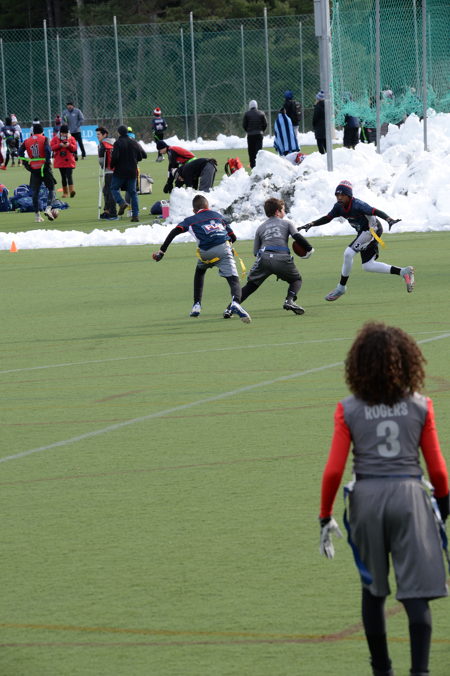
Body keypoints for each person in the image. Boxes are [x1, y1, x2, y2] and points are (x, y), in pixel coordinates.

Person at [319, 321, 449, 676]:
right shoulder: (421, 405)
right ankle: (419, 671)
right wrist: (444, 504)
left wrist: (325, 514)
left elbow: (333, 471)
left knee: (373, 590)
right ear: (407, 362)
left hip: (366, 498)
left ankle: (382, 670)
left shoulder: (348, 408)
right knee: (415, 595)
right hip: (409, 498)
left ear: (358, 364)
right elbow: (438, 470)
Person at [299, 180, 413, 301]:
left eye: (342, 195)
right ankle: (403, 272)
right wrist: (311, 224)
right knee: (368, 265)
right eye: (337, 195)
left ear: (349, 195)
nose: (339, 197)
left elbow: (375, 211)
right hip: (363, 232)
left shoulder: (358, 205)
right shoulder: (338, 206)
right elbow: (327, 218)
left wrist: (389, 219)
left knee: (348, 253)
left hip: (372, 230)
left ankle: (341, 288)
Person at [152, 194, 251, 323]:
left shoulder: (190, 220)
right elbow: (233, 237)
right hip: (223, 249)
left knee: (200, 271)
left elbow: (174, 232)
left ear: (194, 210)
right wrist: (228, 247)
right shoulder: (217, 216)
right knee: (233, 280)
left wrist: (161, 252)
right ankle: (235, 302)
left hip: (205, 253)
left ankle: (196, 305)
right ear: (207, 206)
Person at [223, 197, 314, 319]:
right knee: (296, 280)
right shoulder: (287, 223)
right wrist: (309, 249)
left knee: (251, 285)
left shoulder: (260, 228)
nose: (284, 212)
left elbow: (255, 252)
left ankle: (230, 308)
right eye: (283, 210)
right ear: (277, 212)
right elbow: (297, 237)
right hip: (282, 258)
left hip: (264, 258)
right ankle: (289, 300)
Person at [18, 122, 59, 223]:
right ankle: (48, 208)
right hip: (44, 167)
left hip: (33, 168)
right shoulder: (45, 139)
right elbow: (47, 150)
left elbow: (20, 152)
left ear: (32, 132)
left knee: (35, 192)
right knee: (51, 188)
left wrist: (26, 163)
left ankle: (37, 216)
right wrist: (48, 161)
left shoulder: (27, 141)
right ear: (42, 131)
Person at [110, 124, 147, 222]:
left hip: (120, 171)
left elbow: (115, 157)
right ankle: (135, 215)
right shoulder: (134, 142)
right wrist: (134, 160)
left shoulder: (118, 143)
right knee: (133, 193)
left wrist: (112, 165)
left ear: (119, 133)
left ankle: (122, 203)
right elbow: (141, 156)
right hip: (132, 171)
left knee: (114, 188)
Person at [96, 126, 117, 220]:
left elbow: (101, 161)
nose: (97, 136)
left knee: (109, 191)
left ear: (105, 135)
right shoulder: (114, 142)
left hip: (109, 170)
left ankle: (112, 212)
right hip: (116, 169)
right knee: (106, 190)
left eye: (99, 134)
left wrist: (102, 166)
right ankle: (107, 210)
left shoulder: (103, 144)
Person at [50, 123, 77, 198]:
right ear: (60, 132)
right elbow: (51, 147)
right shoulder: (55, 138)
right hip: (60, 160)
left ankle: (72, 191)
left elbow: (74, 148)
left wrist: (69, 145)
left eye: (65, 133)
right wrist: (59, 145)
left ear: (68, 132)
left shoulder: (71, 138)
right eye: (63, 133)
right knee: (63, 176)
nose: (64, 134)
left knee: (69, 175)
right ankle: (65, 193)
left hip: (69, 160)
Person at [242, 100, 267, 169]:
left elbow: (244, 125)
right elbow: (265, 124)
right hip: (259, 134)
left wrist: (248, 131)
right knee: (258, 151)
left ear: (250, 106)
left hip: (250, 135)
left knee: (251, 152)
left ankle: (253, 166)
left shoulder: (247, 114)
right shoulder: (261, 113)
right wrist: (261, 131)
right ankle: (259, 166)